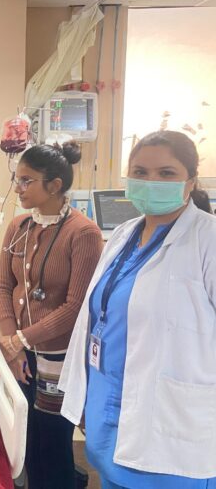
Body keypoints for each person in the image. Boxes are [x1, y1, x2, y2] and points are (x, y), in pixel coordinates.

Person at [59, 131, 216, 488]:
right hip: (109, 410)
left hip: (173, 430)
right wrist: (85, 395)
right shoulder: (123, 234)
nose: (151, 181)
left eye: (166, 173)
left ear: (191, 181)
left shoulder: (207, 239)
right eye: (141, 172)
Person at [0, 141, 103, 489]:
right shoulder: (19, 227)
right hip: (19, 350)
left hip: (58, 355)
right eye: (17, 179)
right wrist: (11, 343)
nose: (18, 188)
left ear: (54, 185)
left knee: (53, 442)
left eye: (27, 181)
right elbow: (2, 286)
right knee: (25, 440)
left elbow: (75, 307)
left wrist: (20, 340)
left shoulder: (83, 233)